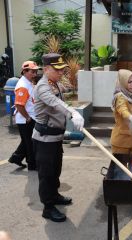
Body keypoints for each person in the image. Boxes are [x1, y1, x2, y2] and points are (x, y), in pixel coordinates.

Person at [32, 53, 84, 222]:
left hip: (55, 138)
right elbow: (56, 103)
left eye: (63, 69)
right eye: (58, 69)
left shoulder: (54, 83)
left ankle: (54, 196)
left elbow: (64, 98)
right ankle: (48, 207)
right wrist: (73, 113)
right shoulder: (42, 87)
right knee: (46, 174)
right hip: (44, 139)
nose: (62, 72)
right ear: (46, 69)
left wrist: (72, 106)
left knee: (55, 170)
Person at [8, 61, 39, 170]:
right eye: (32, 71)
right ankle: (32, 164)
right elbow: (19, 105)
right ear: (24, 71)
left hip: (29, 118)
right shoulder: (23, 86)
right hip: (25, 119)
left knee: (27, 141)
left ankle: (16, 158)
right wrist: (28, 118)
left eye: (35, 71)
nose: (35, 74)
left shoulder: (28, 82)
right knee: (30, 143)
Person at [110, 69, 132, 167]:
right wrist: (131, 117)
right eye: (129, 82)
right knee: (120, 171)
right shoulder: (120, 96)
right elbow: (123, 110)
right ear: (123, 82)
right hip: (121, 142)